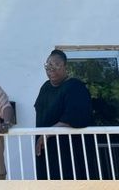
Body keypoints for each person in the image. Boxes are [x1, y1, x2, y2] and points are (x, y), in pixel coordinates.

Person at [34, 49, 93, 179]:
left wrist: (48, 133)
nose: (51, 68)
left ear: (65, 67)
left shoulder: (75, 87)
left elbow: (75, 117)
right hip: (46, 152)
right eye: (48, 65)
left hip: (69, 152)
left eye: (56, 64)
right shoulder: (45, 87)